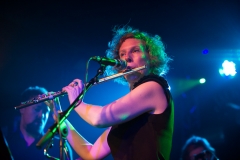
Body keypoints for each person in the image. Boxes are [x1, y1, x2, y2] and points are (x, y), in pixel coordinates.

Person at [58, 25, 174, 160]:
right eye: (122, 54)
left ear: (150, 57)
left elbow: (99, 118)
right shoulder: (128, 110)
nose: (127, 58)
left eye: (135, 51)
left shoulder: (154, 87)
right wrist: (60, 118)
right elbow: (91, 154)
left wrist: (76, 102)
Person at [6, 86, 73, 160]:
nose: (41, 115)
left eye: (46, 111)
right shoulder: (7, 142)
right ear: (22, 108)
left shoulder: (58, 146)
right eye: (37, 109)